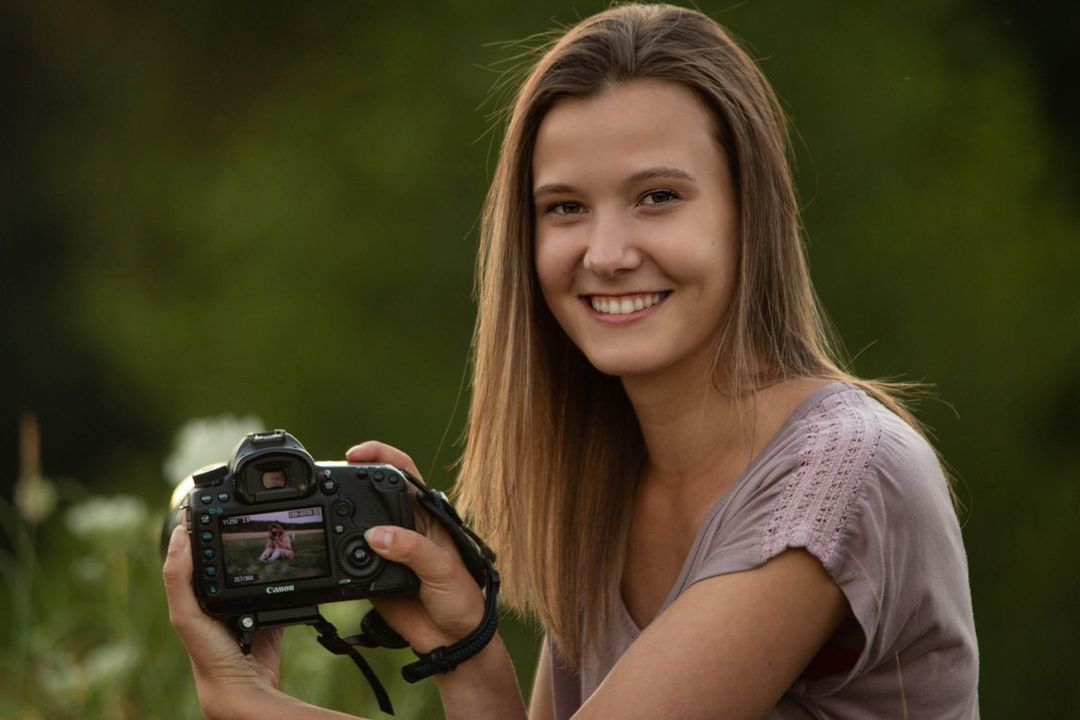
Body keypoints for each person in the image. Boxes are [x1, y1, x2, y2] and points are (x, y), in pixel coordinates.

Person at [163, 4, 979, 718]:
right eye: (565, 208)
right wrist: (470, 656)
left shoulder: (841, 480)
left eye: (658, 196)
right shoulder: (607, 482)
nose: (608, 253)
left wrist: (254, 707)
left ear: (752, 211)